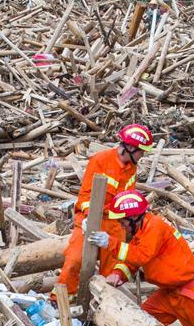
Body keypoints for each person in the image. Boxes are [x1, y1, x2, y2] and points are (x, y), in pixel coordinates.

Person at [101, 190, 194, 326]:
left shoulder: (155, 226)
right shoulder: (142, 230)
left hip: (192, 295)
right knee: (142, 321)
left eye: (123, 222)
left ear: (135, 218)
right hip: (170, 293)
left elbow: (142, 255)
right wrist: (118, 274)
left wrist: (110, 243)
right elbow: (133, 259)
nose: (122, 227)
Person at [54, 124, 153, 299]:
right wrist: (87, 218)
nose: (142, 155)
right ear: (130, 148)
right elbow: (84, 196)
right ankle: (59, 300)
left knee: (113, 268)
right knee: (75, 260)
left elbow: (127, 200)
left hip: (115, 223)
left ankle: (103, 304)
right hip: (90, 219)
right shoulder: (100, 161)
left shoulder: (132, 168)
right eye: (141, 151)